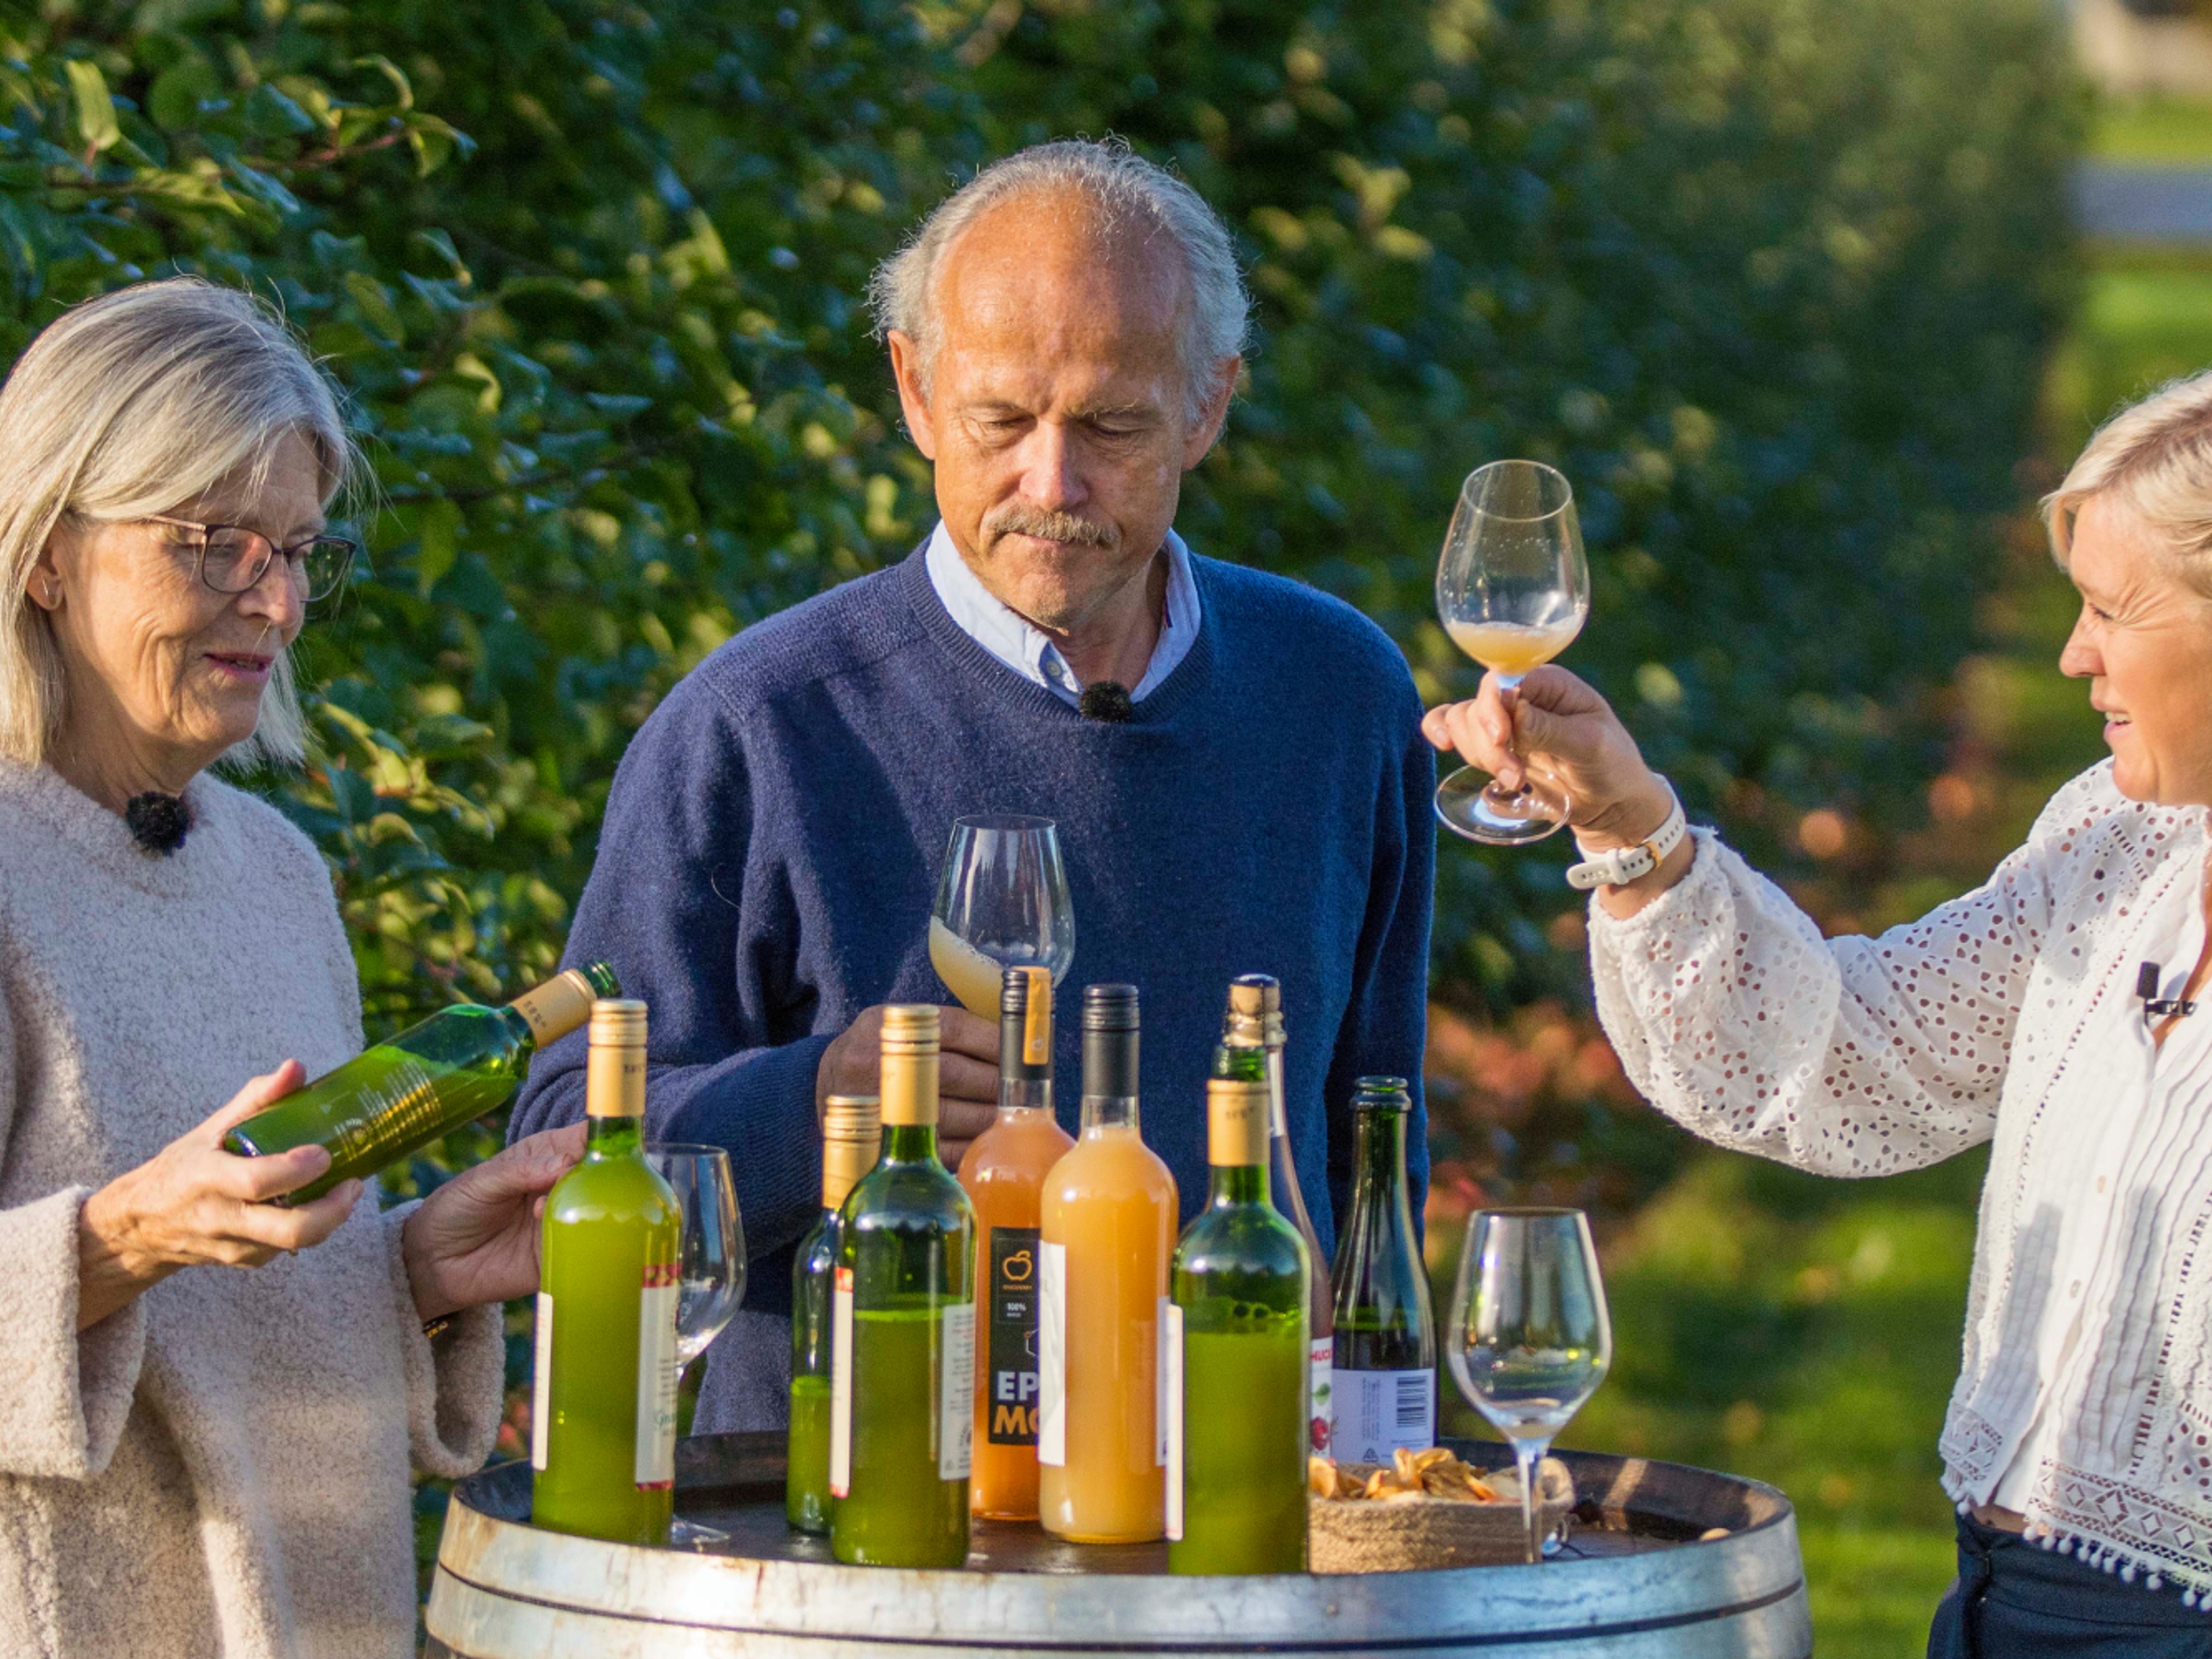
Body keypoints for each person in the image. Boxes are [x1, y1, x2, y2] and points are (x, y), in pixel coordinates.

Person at [510, 138, 1435, 1431]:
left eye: (1112, 425)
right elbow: (553, 1147)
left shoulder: (1337, 694)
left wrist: (1388, 1451)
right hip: (842, 1541)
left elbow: (1374, 1130)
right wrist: (816, 1105)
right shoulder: (760, 724)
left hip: (1238, 1502)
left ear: (1210, 406)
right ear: (916, 391)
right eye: (1002, 420)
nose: (1050, 485)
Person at [1427, 371, 2212, 1654]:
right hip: (2000, 1607)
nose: (2073, 652)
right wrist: (1635, 827)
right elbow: (1853, 1054)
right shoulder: (2112, 849)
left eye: (2114, 610)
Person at [0, 278, 585, 1659]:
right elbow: (154, 1241)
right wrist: (123, 1235)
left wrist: (411, 1276)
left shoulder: (276, 873)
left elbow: (247, 1296)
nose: (273, 598)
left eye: (298, 548)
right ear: (45, 555)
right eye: (213, 543)